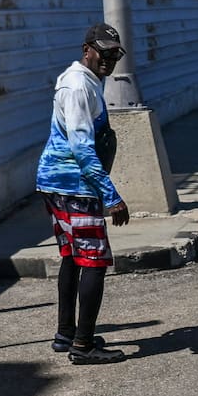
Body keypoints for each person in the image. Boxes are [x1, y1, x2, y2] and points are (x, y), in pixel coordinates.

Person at [37, 24, 131, 365]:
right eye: (103, 52)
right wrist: (112, 197)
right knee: (94, 261)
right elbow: (82, 149)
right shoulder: (78, 86)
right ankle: (83, 344)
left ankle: (66, 333)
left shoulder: (88, 79)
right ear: (86, 49)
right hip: (74, 184)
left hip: (58, 182)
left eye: (114, 54)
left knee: (72, 257)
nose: (109, 59)